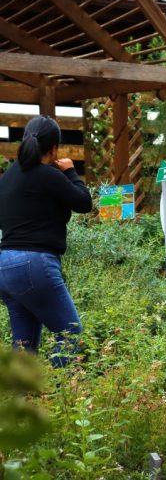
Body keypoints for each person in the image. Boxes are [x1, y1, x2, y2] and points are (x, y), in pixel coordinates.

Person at [0, 115, 92, 367]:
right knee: (70, 331)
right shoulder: (48, 175)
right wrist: (71, 172)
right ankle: (61, 389)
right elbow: (84, 203)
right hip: (34, 264)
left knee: (24, 345)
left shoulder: (7, 178)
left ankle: (17, 392)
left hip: (4, 266)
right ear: (54, 148)